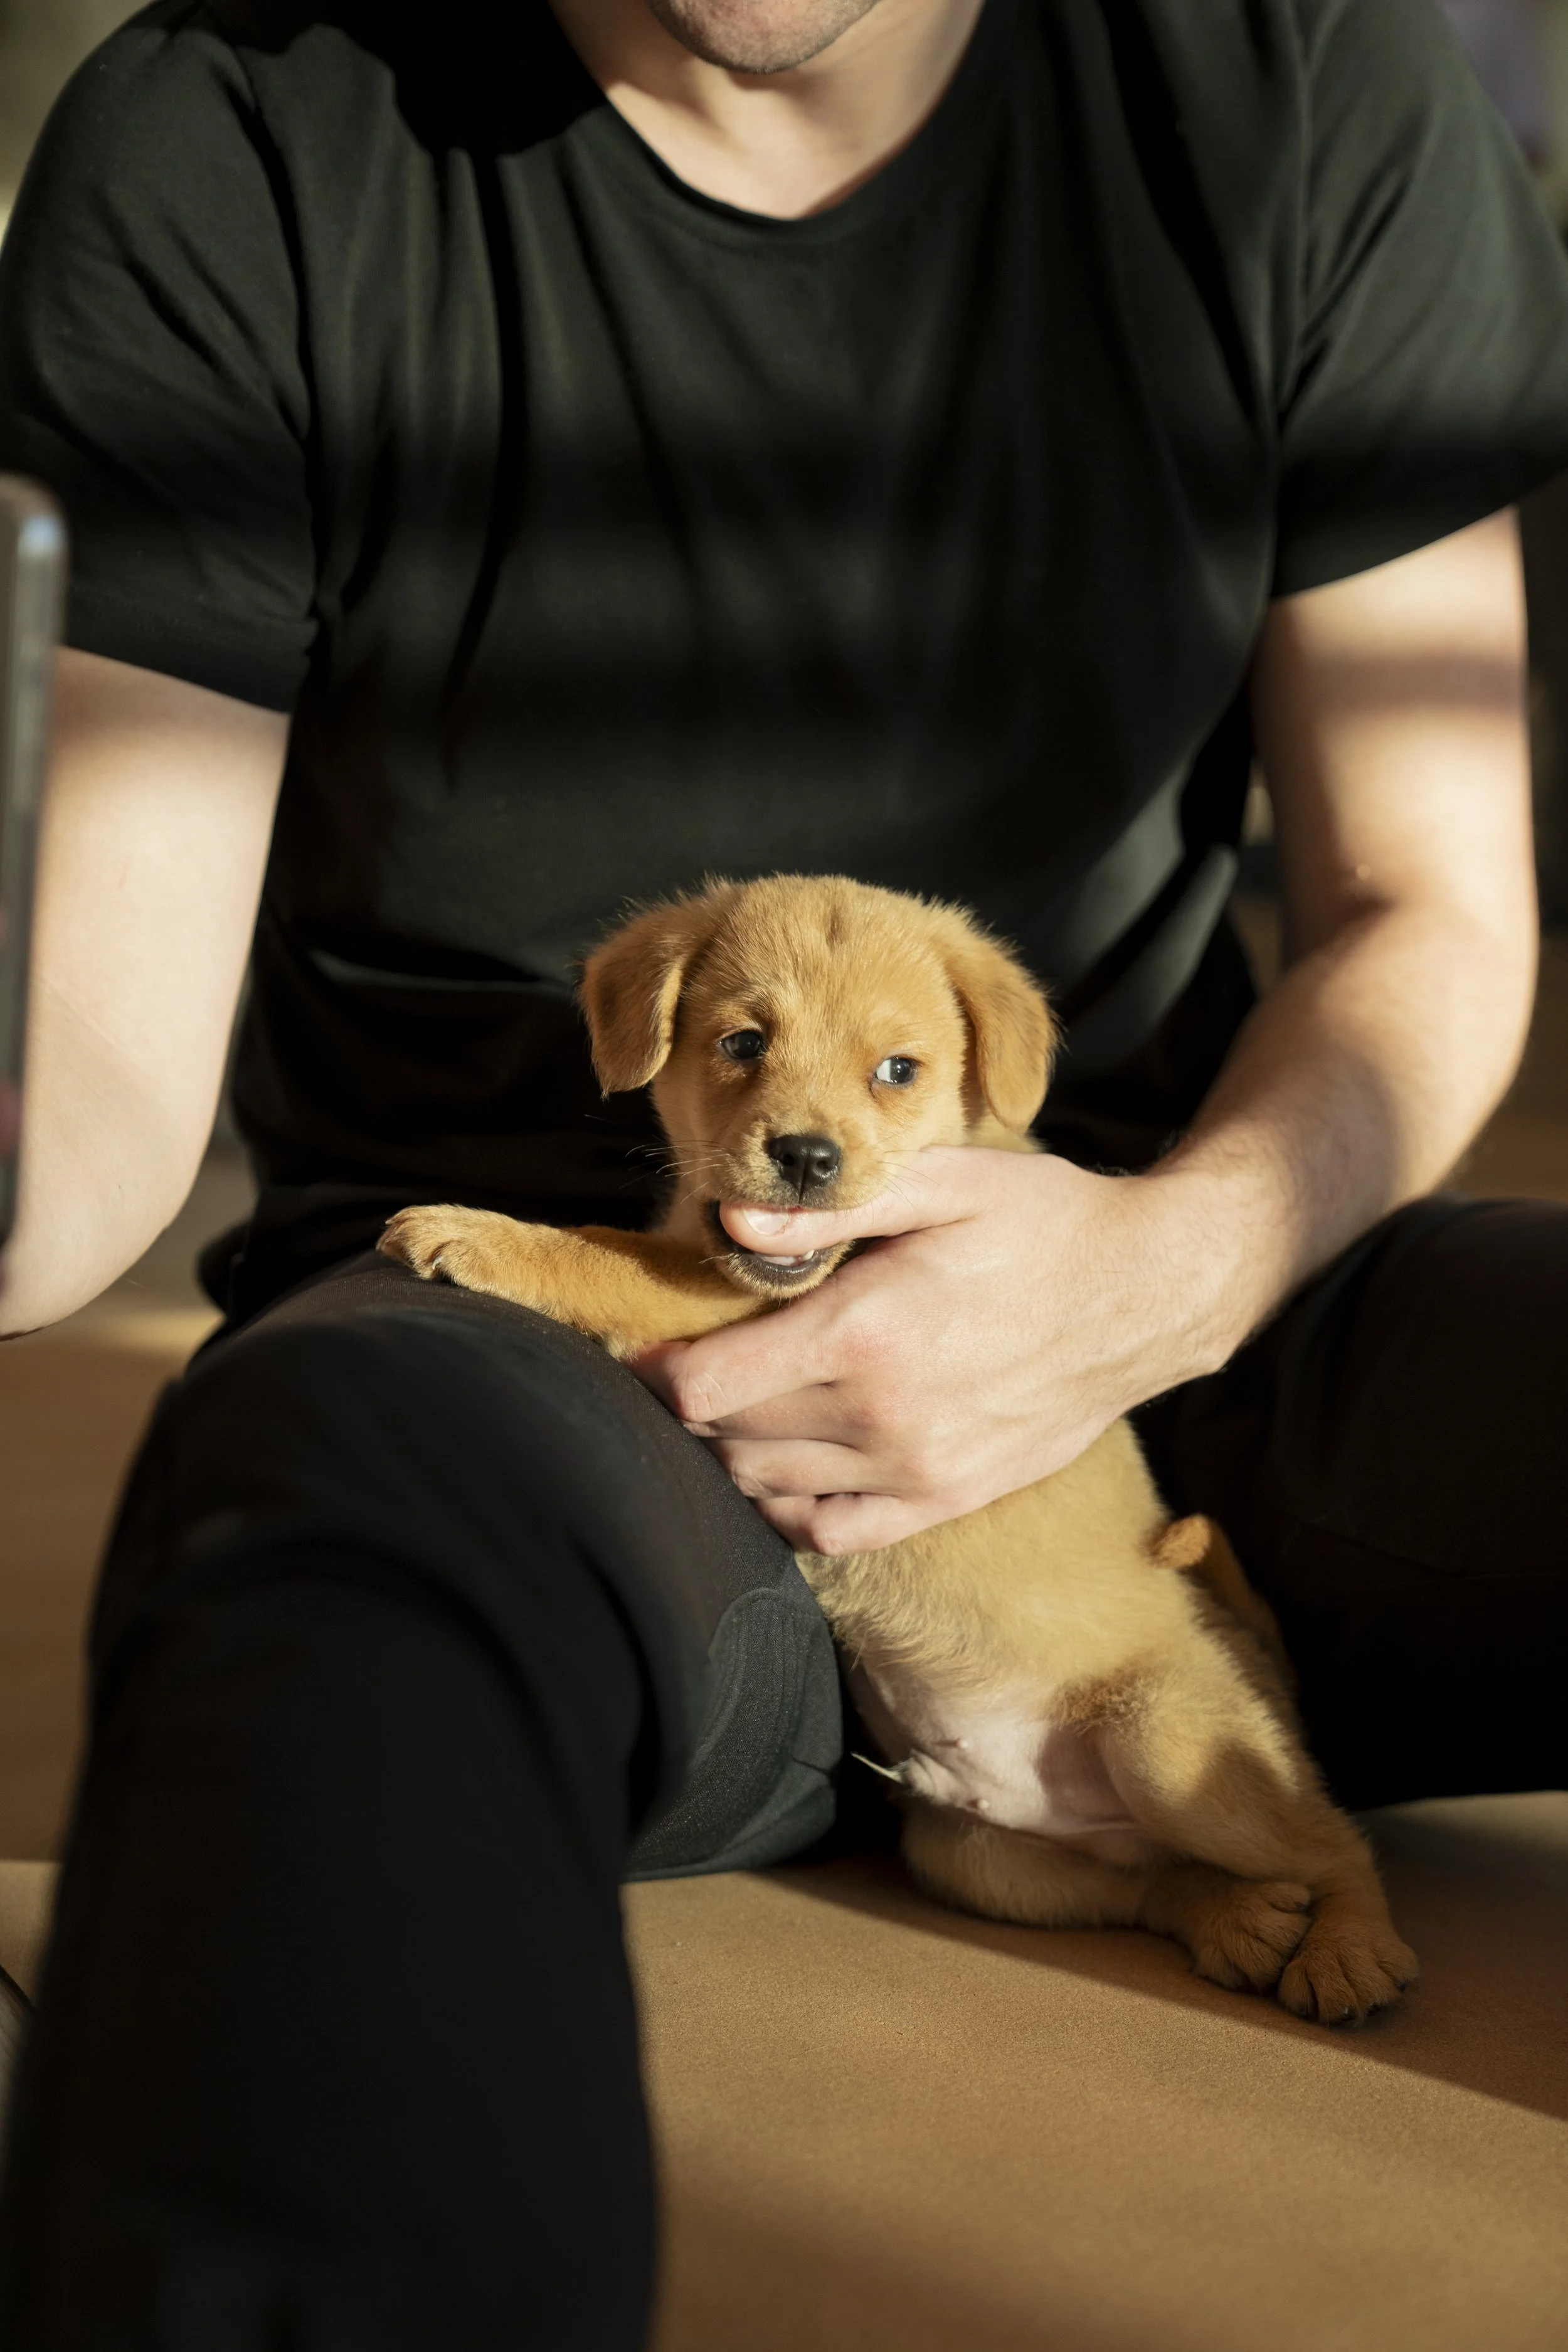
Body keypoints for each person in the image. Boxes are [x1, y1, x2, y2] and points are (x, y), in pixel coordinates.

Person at [1, 0, 1567, 2339]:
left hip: (1178, 1304)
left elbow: (1423, 905)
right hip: (556, 1366)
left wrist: (1160, 1274)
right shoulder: (238, 123)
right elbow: (92, 1065)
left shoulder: (1300, 77)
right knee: (313, 1545)